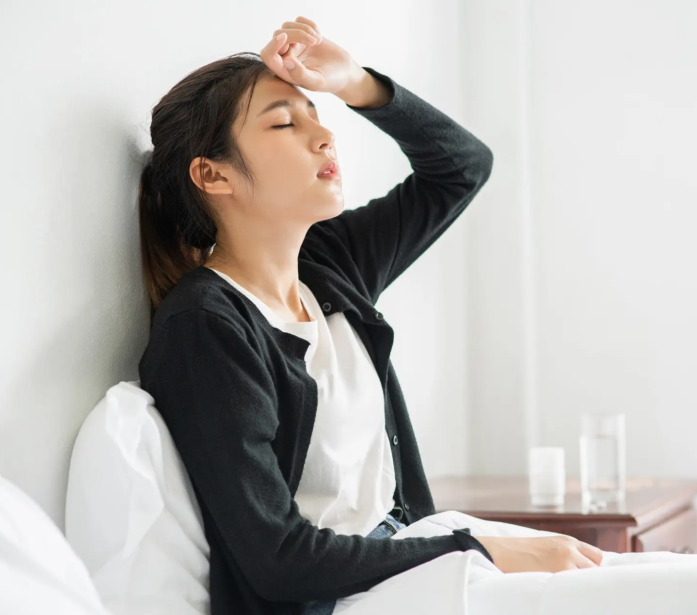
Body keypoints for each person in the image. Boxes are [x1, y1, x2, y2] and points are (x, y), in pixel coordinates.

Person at [136, 15, 603, 615]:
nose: (324, 134)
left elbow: (463, 167)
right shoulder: (206, 327)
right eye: (284, 122)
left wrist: (355, 83)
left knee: (652, 583)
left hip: (408, 563)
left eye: (315, 113)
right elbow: (278, 559)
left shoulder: (329, 267)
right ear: (213, 174)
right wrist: (475, 550)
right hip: (342, 600)